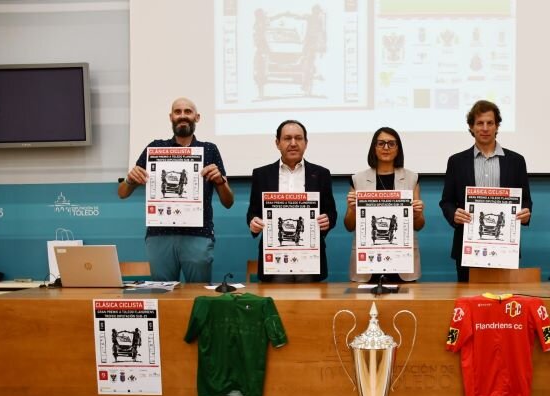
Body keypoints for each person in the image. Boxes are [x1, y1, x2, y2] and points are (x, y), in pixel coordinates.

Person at [118, 97, 233, 283]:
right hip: (159, 236)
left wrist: (220, 181)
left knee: (199, 296)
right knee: (163, 297)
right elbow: (122, 193)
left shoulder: (209, 150)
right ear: (171, 117)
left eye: (188, 111)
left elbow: (228, 202)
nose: (182, 116)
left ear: (197, 117)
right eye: (178, 112)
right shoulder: (155, 148)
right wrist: (130, 179)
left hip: (198, 234)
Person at [439, 100, 532, 282]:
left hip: (505, 247)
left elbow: (526, 201)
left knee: (504, 303)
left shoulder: (516, 161)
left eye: (490, 123)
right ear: (471, 127)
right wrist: (453, 214)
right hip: (467, 247)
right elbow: (446, 201)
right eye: (480, 123)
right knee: (470, 303)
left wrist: (526, 214)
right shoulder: (456, 162)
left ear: (497, 126)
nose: (485, 128)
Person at [246, 120, 337, 282]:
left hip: (311, 257)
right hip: (274, 258)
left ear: (306, 143)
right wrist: (254, 222)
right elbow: (253, 212)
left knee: (309, 305)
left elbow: (331, 212)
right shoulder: (262, 174)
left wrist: (327, 220)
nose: (293, 143)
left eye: (298, 138)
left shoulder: (321, 173)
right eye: (287, 138)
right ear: (277, 143)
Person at [345, 127, 425, 283]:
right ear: (374, 148)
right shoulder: (358, 179)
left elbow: (419, 225)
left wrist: (416, 214)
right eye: (381, 143)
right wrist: (353, 210)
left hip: (402, 261)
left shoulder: (411, 178)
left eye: (391, 144)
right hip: (367, 262)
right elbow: (348, 225)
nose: (386, 148)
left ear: (398, 148)